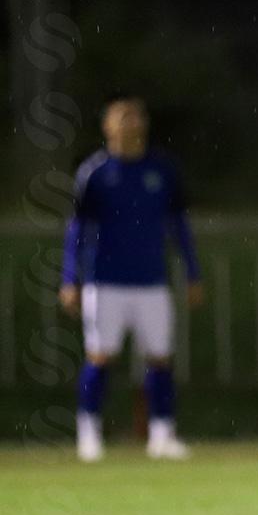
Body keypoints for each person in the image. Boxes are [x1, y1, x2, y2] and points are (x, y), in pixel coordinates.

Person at [59, 94, 204, 462]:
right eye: (122, 118)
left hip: (152, 281)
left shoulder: (162, 171)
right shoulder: (95, 173)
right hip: (105, 281)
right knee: (100, 356)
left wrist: (192, 271)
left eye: (135, 117)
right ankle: (88, 433)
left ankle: (162, 433)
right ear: (108, 126)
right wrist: (69, 277)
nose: (130, 124)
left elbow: (178, 225)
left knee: (160, 358)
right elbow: (77, 227)